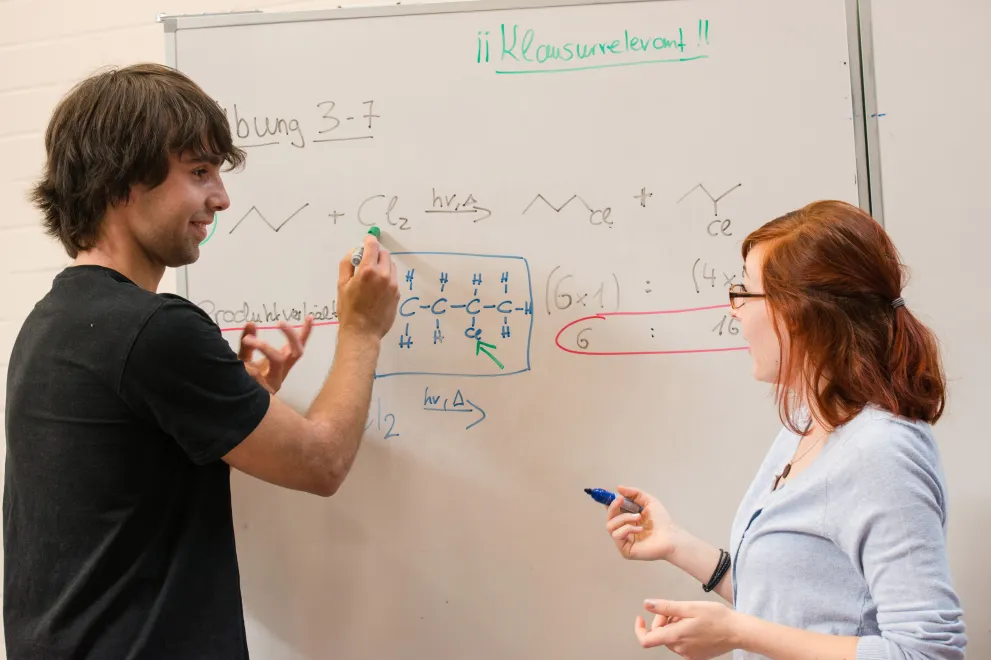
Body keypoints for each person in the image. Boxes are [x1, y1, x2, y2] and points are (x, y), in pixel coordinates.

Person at [3, 63, 399, 659]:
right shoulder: (154, 330)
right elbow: (322, 463)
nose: (221, 197)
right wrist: (363, 328)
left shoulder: (53, 320)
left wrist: (238, 401)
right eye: (198, 172)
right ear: (122, 181)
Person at [603, 201, 967, 659]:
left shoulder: (880, 452)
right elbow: (796, 606)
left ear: (798, 313)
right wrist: (676, 544)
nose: (734, 310)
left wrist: (738, 632)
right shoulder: (808, 424)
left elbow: (927, 652)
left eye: (744, 292)